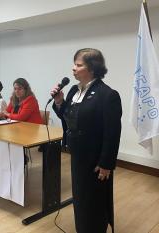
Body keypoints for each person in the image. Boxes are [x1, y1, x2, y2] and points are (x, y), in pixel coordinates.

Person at [51, 48, 122, 233]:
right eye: (74, 64)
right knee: (80, 197)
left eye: (78, 65)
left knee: (94, 200)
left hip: (96, 160)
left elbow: (112, 133)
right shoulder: (74, 90)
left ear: (92, 67)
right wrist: (59, 102)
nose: (73, 68)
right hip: (77, 155)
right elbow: (67, 116)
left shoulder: (107, 95)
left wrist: (106, 163)